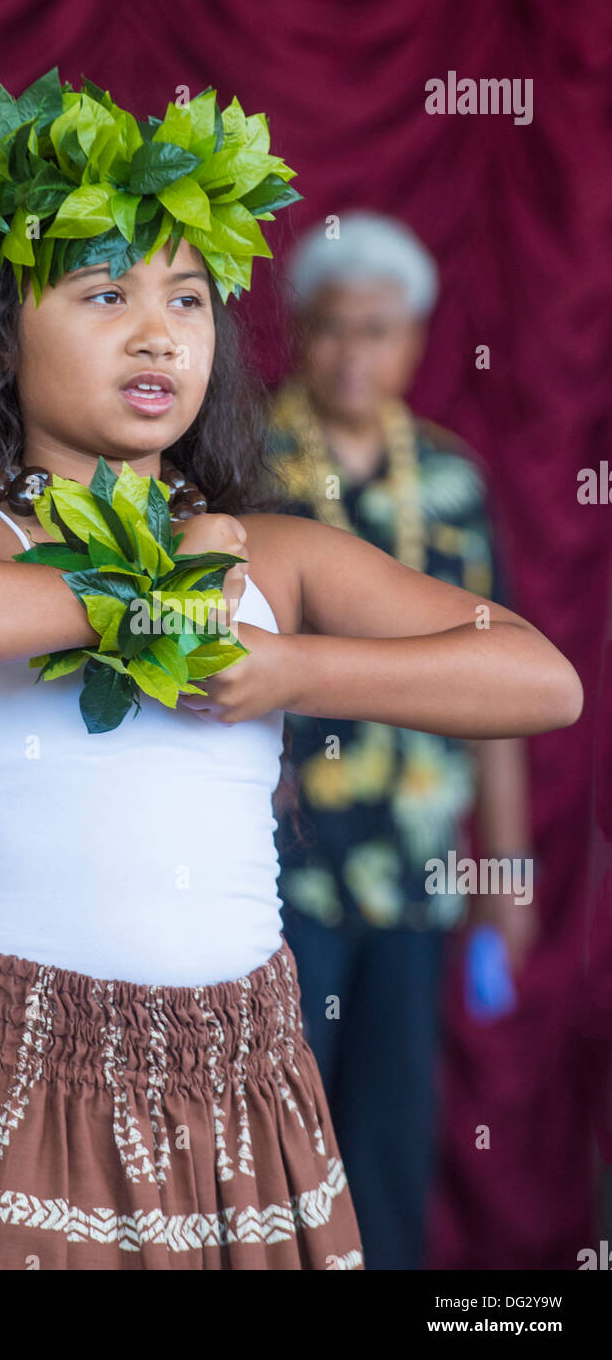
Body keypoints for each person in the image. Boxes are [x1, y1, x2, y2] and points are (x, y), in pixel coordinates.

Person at [0, 76, 581, 1272]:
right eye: (105, 294)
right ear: (2, 332)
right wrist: (151, 590)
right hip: (21, 1069)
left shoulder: (273, 553)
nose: (158, 331)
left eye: (188, 298)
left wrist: (294, 667)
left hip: (242, 1077)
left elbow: (542, 679)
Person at [266, 210, 539, 1269]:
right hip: (285, 866)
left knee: (387, 1138)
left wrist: (506, 873)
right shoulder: (253, 470)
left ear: (417, 338)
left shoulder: (456, 484)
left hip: (419, 866)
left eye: (379, 330)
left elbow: (504, 690)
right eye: (334, 328)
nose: (355, 353)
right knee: (278, 1140)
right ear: (299, 330)